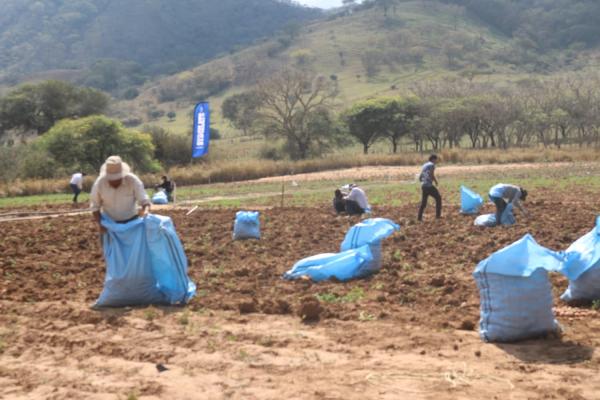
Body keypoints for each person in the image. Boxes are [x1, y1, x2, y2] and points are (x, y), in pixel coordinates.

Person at [90, 156, 150, 233]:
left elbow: (144, 200)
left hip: (131, 223)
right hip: (109, 225)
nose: (114, 182)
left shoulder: (133, 181)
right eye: (111, 179)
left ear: (122, 175)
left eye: (117, 179)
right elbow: (95, 206)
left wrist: (146, 211)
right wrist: (100, 223)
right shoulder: (99, 183)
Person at [417, 154, 442, 221]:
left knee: (424, 202)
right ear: (433, 159)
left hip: (423, 185)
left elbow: (420, 176)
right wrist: (436, 181)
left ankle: (419, 217)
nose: (436, 161)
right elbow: (431, 174)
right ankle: (438, 216)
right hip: (429, 186)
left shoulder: (424, 165)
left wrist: (422, 181)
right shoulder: (432, 165)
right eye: (436, 159)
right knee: (438, 198)